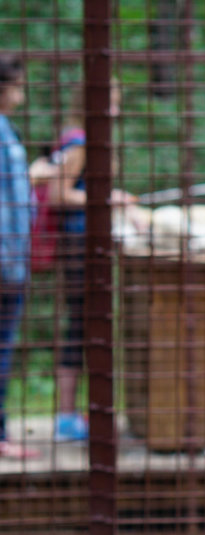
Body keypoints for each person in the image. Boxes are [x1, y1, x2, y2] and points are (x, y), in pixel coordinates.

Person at [43, 83, 135, 441]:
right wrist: (106, 198)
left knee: (85, 325)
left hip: (89, 242)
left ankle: (78, 414)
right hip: (79, 243)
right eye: (110, 100)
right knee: (80, 326)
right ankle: (67, 417)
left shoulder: (82, 139)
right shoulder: (79, 142)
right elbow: (58, 194)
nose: (115, 108)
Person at [0, 55, 37, 459]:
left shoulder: (6, 130)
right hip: (6, 259)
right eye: (17, 86)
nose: (22, 95)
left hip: (13, 257)